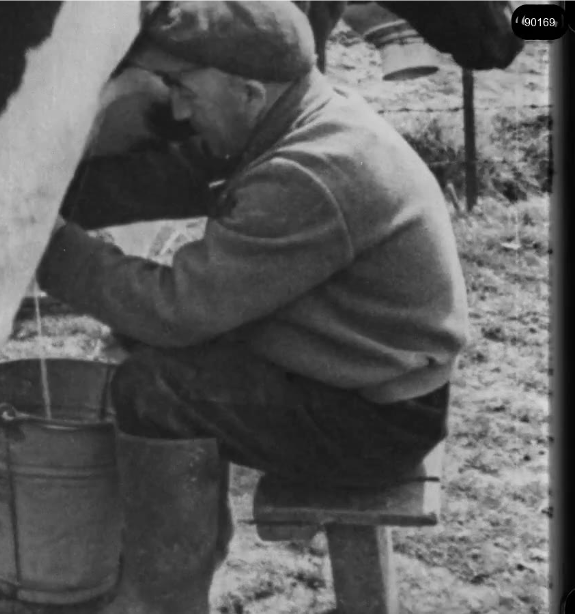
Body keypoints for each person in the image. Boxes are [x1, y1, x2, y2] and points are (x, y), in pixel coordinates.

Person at [35, 0, 469, 612]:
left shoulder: (309, 174)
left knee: (154, 388)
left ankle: (162, 598)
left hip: (373, 424)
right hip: (366, 377)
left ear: (247, 91)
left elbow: (173, 309)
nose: (178, 110)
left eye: (186, 89)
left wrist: (45, 245)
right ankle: (193, 558)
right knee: (155, 350)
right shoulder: (307, 118)